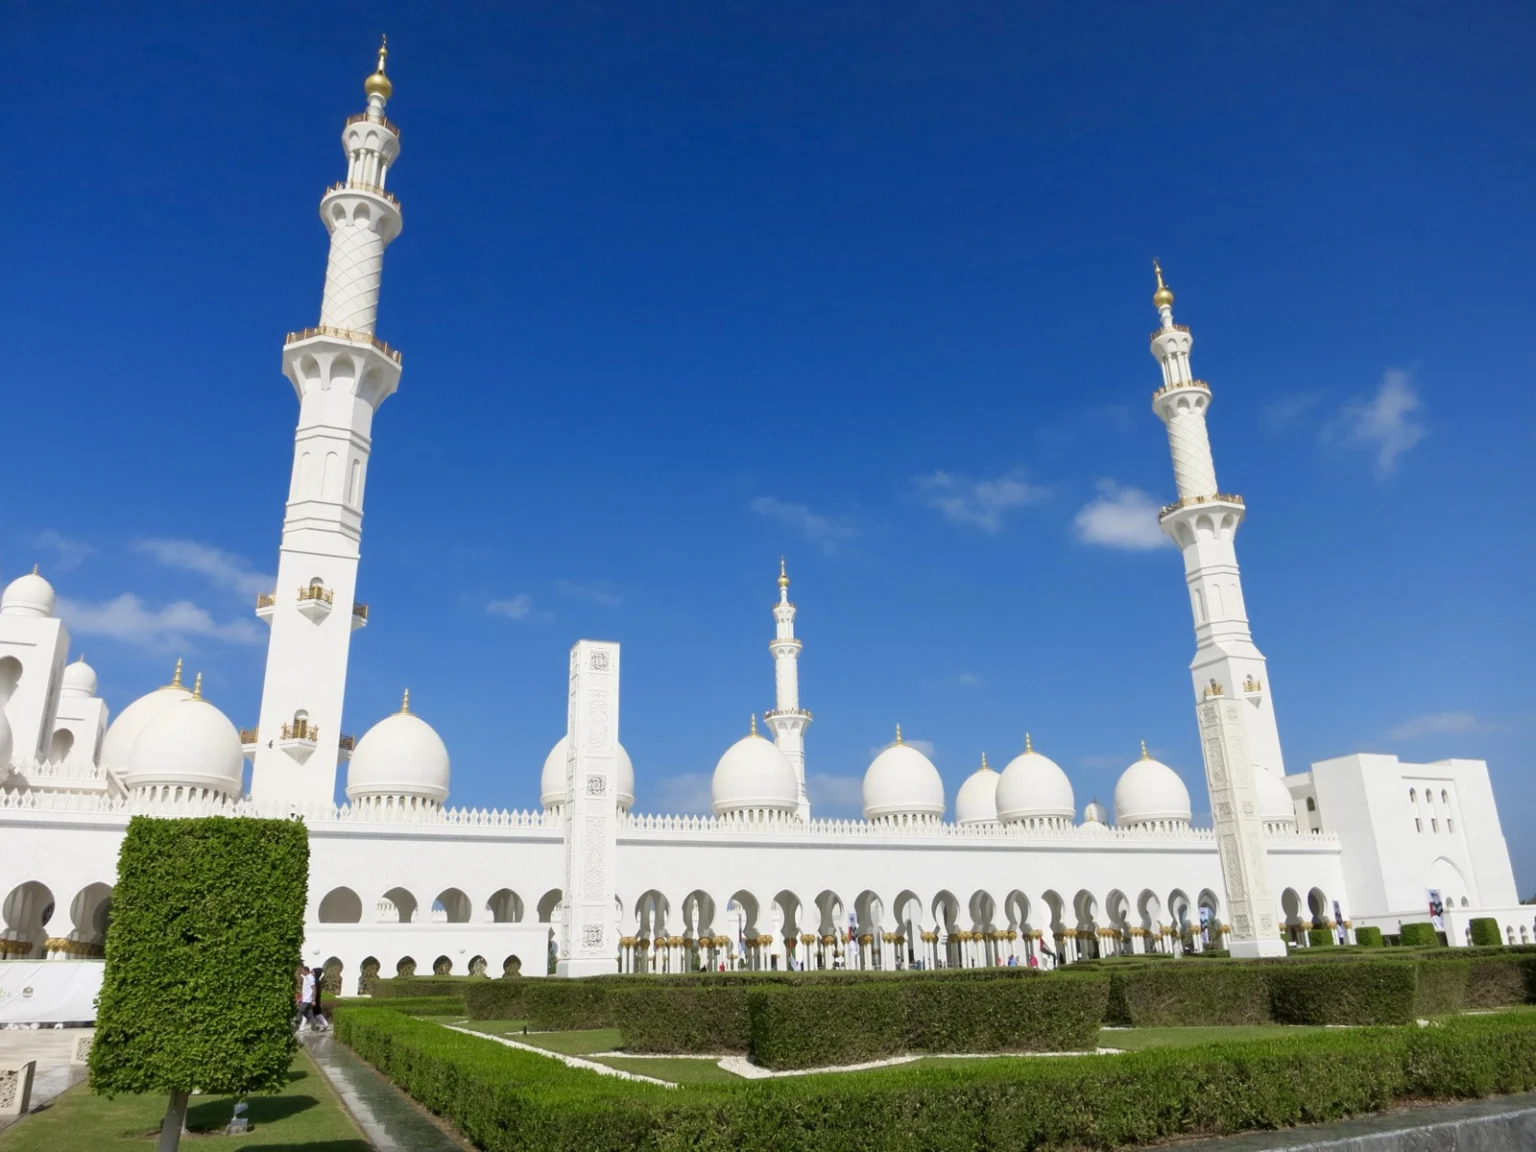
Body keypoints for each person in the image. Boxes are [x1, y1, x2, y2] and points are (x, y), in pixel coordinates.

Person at [310, 965, 328, 1031]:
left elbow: (315, 991)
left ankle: (325, 1024)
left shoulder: (316, 982)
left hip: (315, 998)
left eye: (313, 972)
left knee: (316, 1012)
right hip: (315, 998)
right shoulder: (316, 981)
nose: (312, 973)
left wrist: (313, 999)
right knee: (315, 1012)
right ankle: (317, 1025)